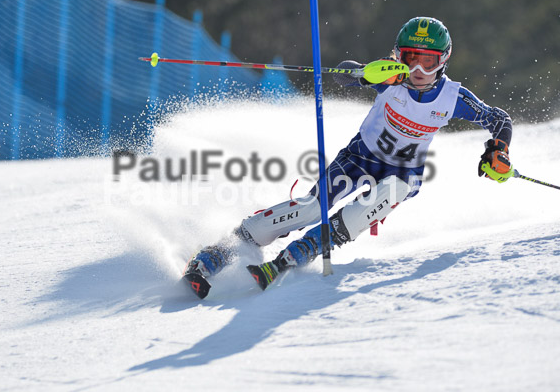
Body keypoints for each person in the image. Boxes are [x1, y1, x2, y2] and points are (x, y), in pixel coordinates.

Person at [183, 17, 514, 298]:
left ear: (442, 61)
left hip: (404, 172)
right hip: (360, 156)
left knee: (384, 196)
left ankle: (305, 249)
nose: (417, 69)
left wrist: (498, 150)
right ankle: (224, 249)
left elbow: (498, 119)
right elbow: (343, 73)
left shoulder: (453, 97)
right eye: (410, 57)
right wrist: (367, 74)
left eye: (427, 62)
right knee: (313, 206)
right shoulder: (389, 79)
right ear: (398, 55)